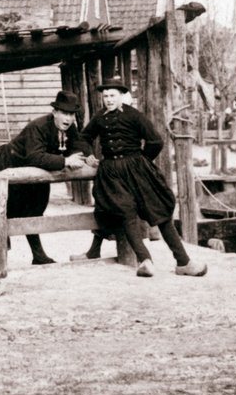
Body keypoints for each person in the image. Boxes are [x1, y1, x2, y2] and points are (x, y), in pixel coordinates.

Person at [76, 77, 207, 277]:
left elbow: (156, 141)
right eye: (105, 96)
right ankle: (145, 261)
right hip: (111, 172)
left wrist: (142, 161)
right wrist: (90, 155)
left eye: (112, 95)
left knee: (160, 213)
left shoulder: (134, 115)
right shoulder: (99, 117)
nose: (109, 100)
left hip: (138, 169)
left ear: (121, 96)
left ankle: (183, 262)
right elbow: (84, 137)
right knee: (126, 213)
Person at [0, 90, 90, 265]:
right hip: (8, 164)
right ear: (54, 112)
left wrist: (82, 155)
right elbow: (34, 156)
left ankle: (38, 255)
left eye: (71, 114)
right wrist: (65, 161)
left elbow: (79, 144)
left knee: (35, 208)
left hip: (37, 170)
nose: (68, 118)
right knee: (4, 210)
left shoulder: (69, 127)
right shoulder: (38, 127)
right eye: (64, 113)